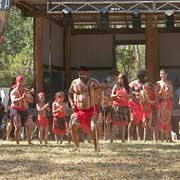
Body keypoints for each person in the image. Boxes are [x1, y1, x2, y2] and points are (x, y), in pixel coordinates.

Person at [68, 66, 101, 152]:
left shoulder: (94, 81)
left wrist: (96, 89)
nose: (82, 76)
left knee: (93, 127)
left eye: (84, 74)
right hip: (79, 110)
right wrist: (72, 103)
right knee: (73, 126)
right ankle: (76, 146)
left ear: (88, 73)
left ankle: (96, 147)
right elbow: (69, 94)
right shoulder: (74, 82)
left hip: (91, 109)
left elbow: (100, 92)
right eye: (80, 74)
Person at [9, 76, 33, 144]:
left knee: (30, 125)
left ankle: (29, 141)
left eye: (22, 82)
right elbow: (14, 101)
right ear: (16, 82)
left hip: (24, 110)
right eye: (19, 82)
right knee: (18, 126)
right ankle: (17, 141)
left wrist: (27, 97)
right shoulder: (13, 91)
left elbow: (31, 100)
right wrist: (22, 98)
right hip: (15, 110)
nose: (21, 84)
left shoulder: (26, 91)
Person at [128, 69, 147, 141]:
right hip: (133, 104)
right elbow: (129, 93)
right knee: (132, 120)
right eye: (144, 76)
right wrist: (135, 93)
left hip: (141, 104)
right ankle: (129, 137)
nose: (146, 77)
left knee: (139, 121)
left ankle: (139, 137)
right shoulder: (132, 83)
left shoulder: (144, 84)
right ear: (140, 76)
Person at [111, 74, 130, 143]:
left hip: (124, 106)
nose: (120, 80)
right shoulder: (116, 86)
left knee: (124, 123)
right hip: (116, 106)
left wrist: (126, 95)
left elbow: (130, 96)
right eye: (119, 78)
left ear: (124, 79)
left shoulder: (127, 87)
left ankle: (123, 139)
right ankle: (111, 139)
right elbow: (111, 95)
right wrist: (116, 95)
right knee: (114, 123)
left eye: (121, 78)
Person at [156, 69, 173, 142]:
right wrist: (161, 90)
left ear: (166, 75)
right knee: (160, 118)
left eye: (164, 74)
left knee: (168, 118)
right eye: (161, 74)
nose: (162, 75)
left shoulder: (169, 83)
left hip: (168, 102)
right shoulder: (157, 83)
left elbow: (172, 95)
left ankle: (168, 138)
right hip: (160, 102)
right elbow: (156, 95)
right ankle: (161, 138)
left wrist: (168, 90)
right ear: (160, 75)